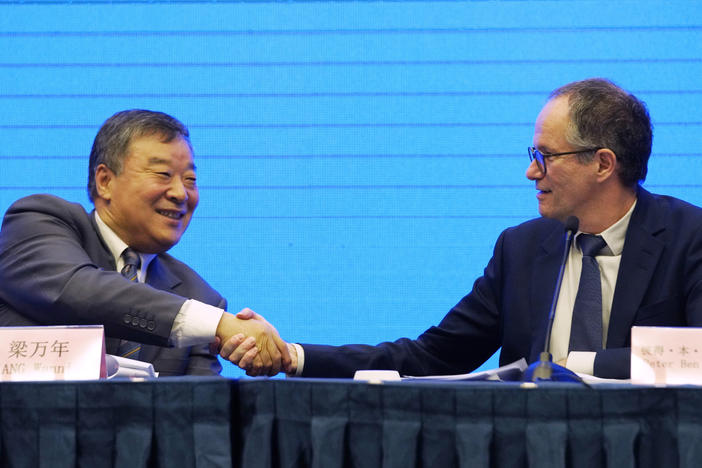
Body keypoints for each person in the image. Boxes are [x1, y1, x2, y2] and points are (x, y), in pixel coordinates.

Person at [223, 77, 702, 380]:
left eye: (544, 157)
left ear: (602, 163)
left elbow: (697, 357)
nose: (531, 173)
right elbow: (432, 356)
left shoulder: (687, 238)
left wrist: (569, 366)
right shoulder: (521, 249)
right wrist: (295, 356)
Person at [0, 109, 289, 376]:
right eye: (163, 174)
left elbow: (200, 409)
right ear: (105, 181)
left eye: (190, 179)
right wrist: (219, 324)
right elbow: (76, 290)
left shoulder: (201, 297)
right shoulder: (37, 222)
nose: (180, 193)